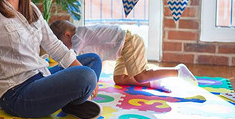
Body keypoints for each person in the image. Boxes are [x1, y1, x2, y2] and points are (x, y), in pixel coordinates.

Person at [49, 20, 198, 92]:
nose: (64, 47)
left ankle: (177, 71)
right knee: (119, 79)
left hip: (128, 42)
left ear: (67, 35)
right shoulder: (81, 37)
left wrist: (56, 72)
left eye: (62, 44)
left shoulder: (79, 35)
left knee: (140, 75)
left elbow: (71, 58)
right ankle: (154, 83)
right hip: (121, 50)